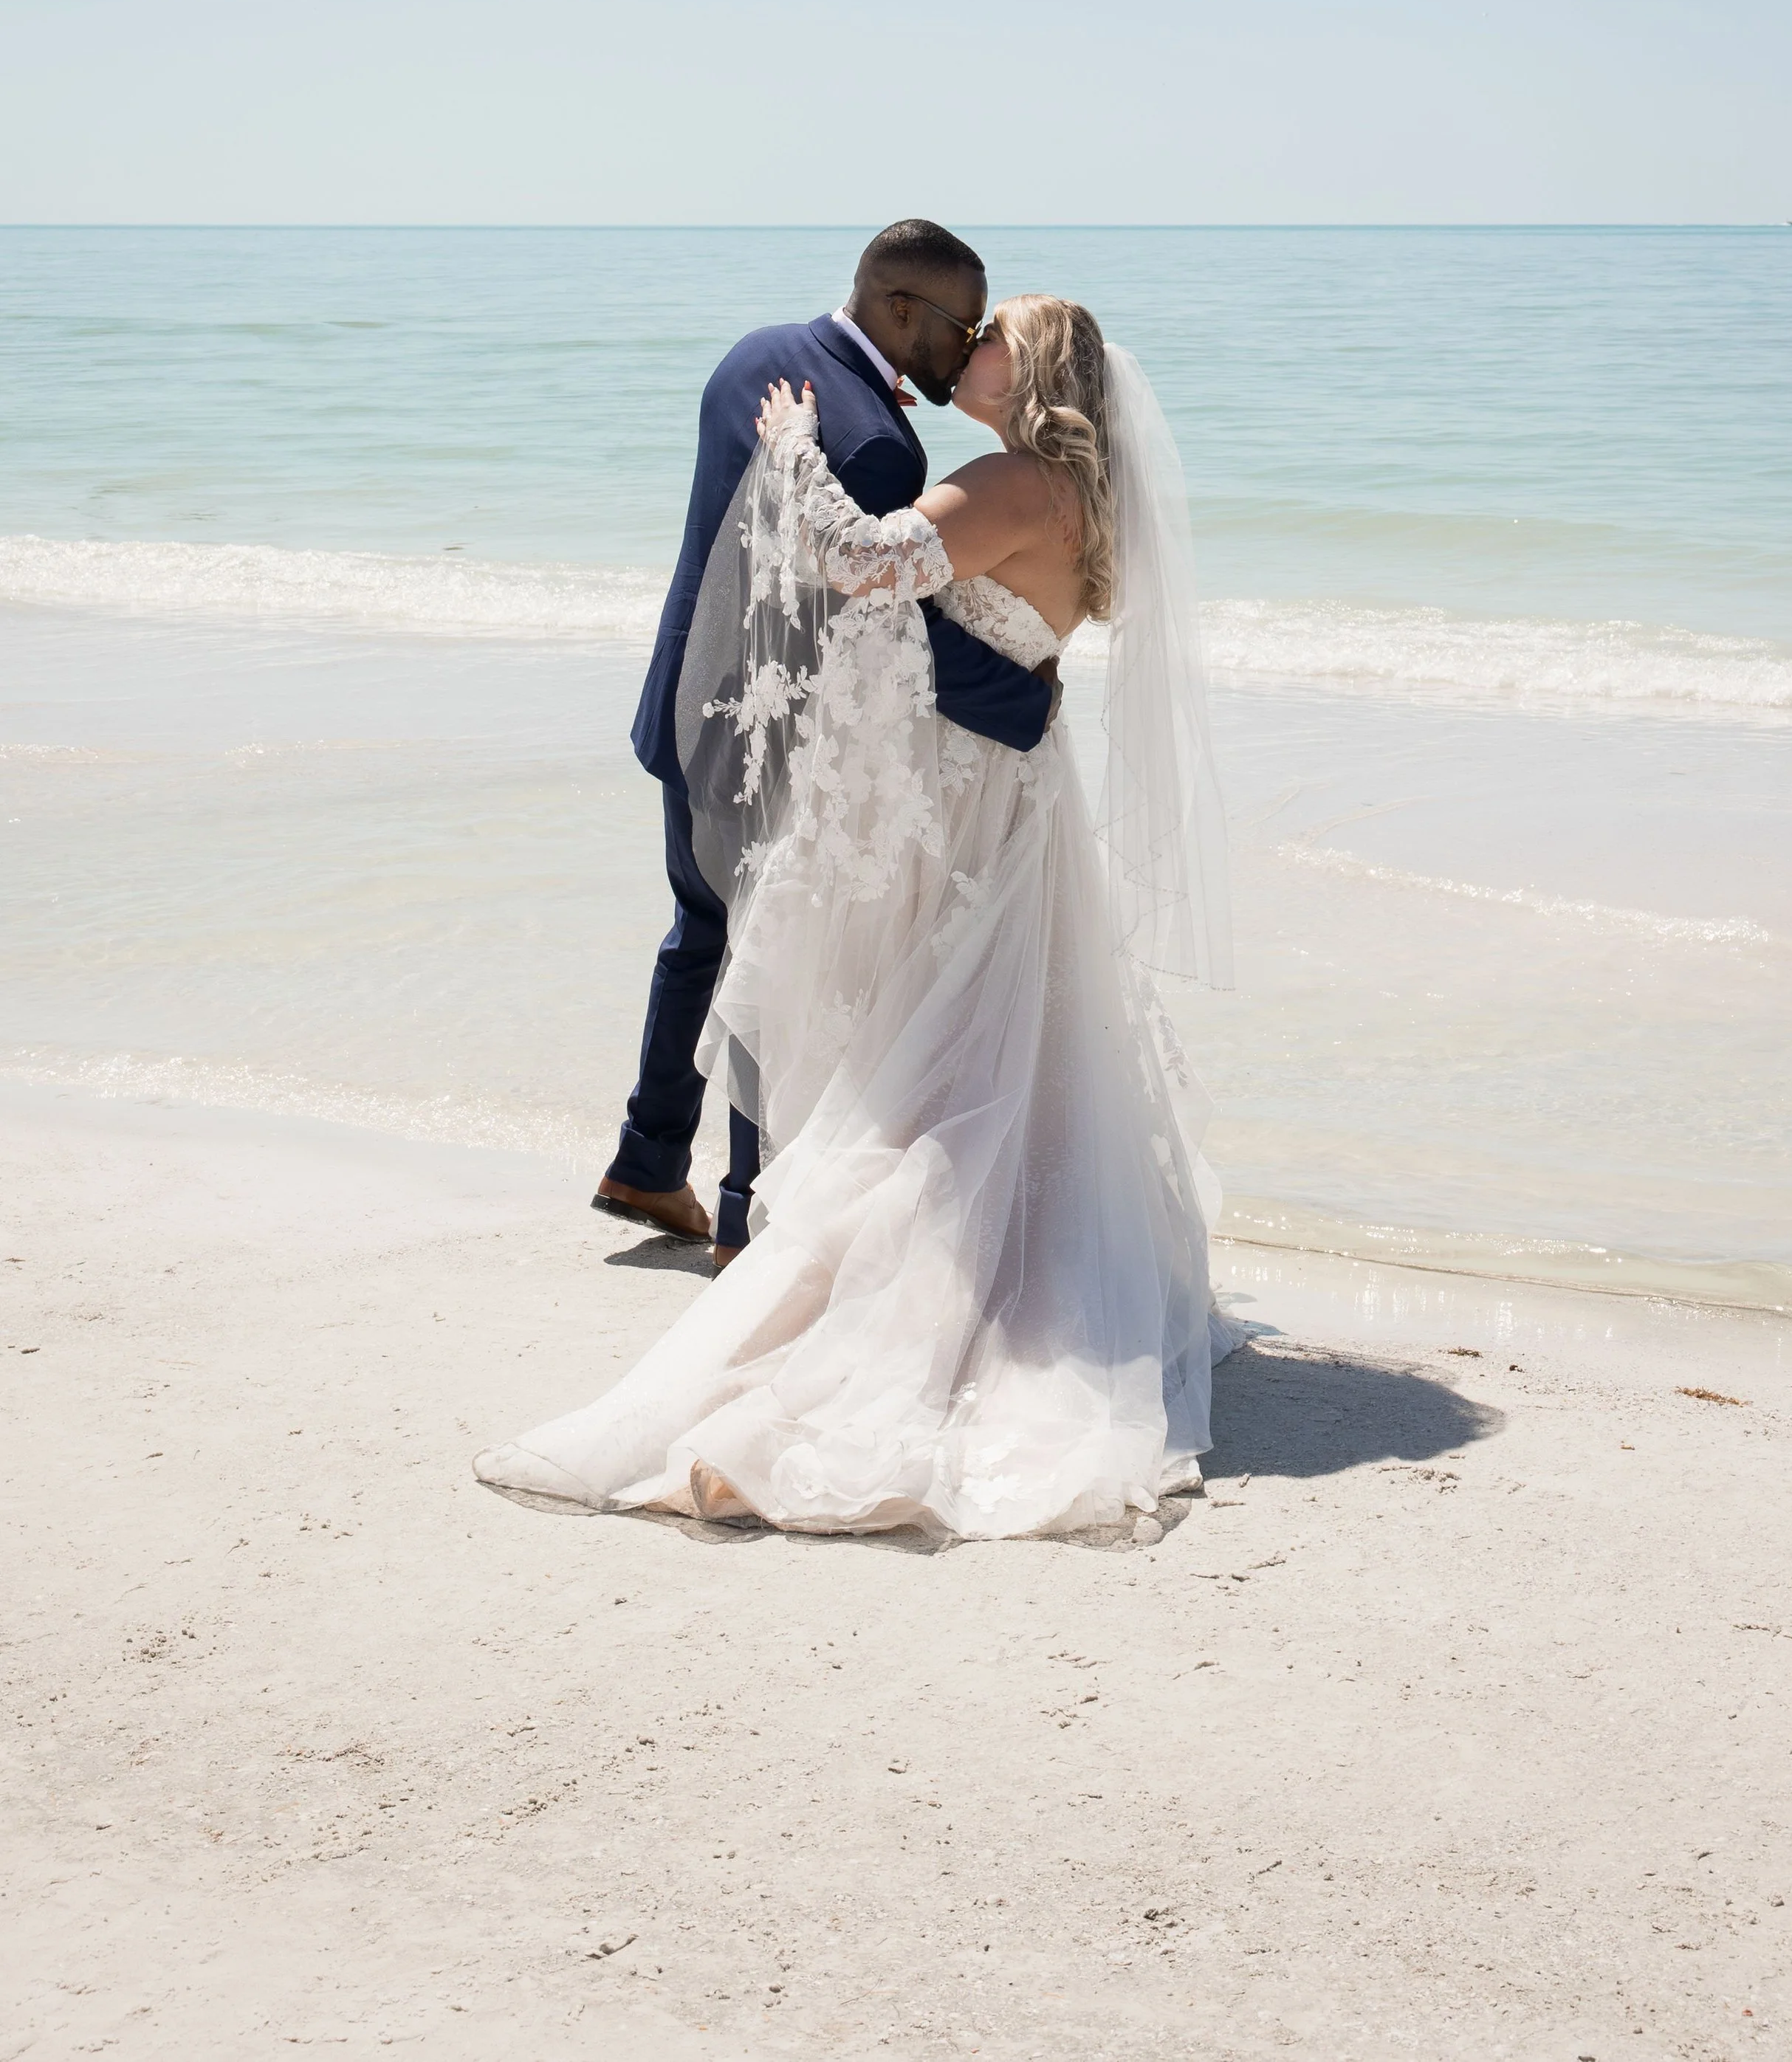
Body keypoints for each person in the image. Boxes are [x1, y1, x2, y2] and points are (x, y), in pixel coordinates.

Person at [477, 292, 1239, 1541]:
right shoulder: (1078, 499)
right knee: (996, 1038)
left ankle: (895, 1273)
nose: (973, 346)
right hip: (1015, 796)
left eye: (996, 335)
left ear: (1030, 371)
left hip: (962, 794)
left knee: (931, 1051)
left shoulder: (1006, 482)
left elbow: (869, 564)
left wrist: (792, 452)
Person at [598, 222, 1060, 1266]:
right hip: (782, 737)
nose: (970, 347)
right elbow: (899, 629)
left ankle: (647, 1154)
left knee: (702, 925)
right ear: (904, 310)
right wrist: (1022, 701)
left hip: (687, 702)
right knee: (782, 951)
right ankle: (743, 1214)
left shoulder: (750, 356)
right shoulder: (884, 445)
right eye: (963, 326)